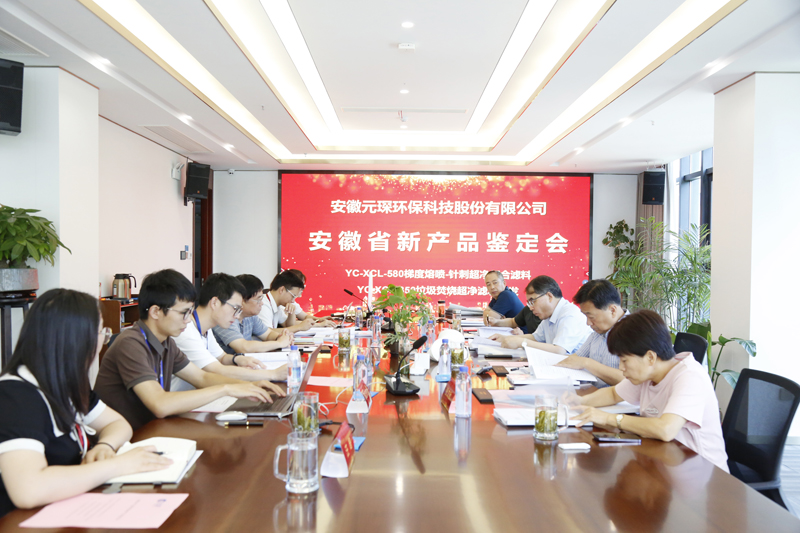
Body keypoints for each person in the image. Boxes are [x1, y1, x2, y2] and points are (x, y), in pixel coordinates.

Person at [0, 289, 172, 517]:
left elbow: (118, 424)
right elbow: (28, 490)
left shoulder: (65, 383)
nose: (103, 340)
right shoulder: (16, 396)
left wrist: (105, 446)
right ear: (77, 339)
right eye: (101, 331)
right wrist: (118, 465)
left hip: (67, 508)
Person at [95, 269, 275, 430]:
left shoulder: (167, 342)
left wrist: (247, 386)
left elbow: (201, 377)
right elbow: (160, 404)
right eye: (184, 313)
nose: (188, 320)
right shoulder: (131, 344)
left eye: (190, 312)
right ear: (156, 312)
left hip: (153, 428)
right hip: (127, 438)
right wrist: (226, 389)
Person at [572, 310, 729, 472]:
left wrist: (609, 418)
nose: (621, 367)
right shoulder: (648, 373)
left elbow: (666, 429)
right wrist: (577, 403)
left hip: (703, 473)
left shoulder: (689, 376)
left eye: (624, 360)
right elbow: (613, 394)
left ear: (650, 357)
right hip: (666, 461)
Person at [171, 273, 288, 391]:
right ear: (215, 303)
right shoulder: (186, 331)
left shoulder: (205, 328)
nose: (237, 316)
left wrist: (237, 359)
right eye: (235, 308)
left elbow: (221, 358)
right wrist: (273, 374)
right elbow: (217, 370)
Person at [489, 275, 590, 353]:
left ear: (549, 296)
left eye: (533, 301)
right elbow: (536, 338)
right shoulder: (549, 315)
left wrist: (521, 343)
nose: (531, 308)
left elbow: (559, 350)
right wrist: (506, 338)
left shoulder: (570, 314)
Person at [555, 279, 627, 387]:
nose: (588, 323)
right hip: (590, 391)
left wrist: (587, 363)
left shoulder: (636, 332)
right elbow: (576, 358)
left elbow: (632, 382)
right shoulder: (597, 332)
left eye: (591, 317)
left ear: (612, 310)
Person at [214, 274, 295, 354]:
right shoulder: (226, 318)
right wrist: (279, 343)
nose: (262, 303)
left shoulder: (250, 316)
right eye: (258, 299)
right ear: (242, 300)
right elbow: (243, 347)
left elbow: (268, 334)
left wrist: (281, 337)